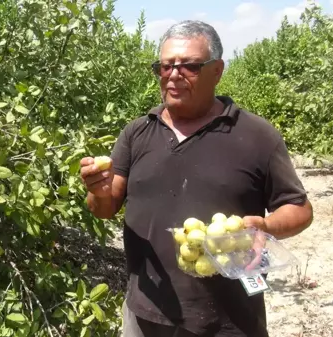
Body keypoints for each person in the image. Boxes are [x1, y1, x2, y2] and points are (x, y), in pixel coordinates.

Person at [79, 20, 313, 337]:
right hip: (147, 314)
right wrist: (99, 192)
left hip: (231, 321)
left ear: (217, 70)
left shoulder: (257, 135)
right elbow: (104, 207)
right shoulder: (137, 133)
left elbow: (299, 209)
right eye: (164, 67)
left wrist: (266, 226)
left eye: (189, 66)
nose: (174, 75)